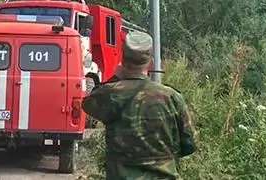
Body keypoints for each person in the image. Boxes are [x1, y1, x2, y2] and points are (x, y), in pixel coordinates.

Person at [81, 30, 197, 179]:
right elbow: (190, 144)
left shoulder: (110, 94)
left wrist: (116, 77)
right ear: (151, 63)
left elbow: (88, 103)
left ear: (123, 59)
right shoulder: (172, 97)